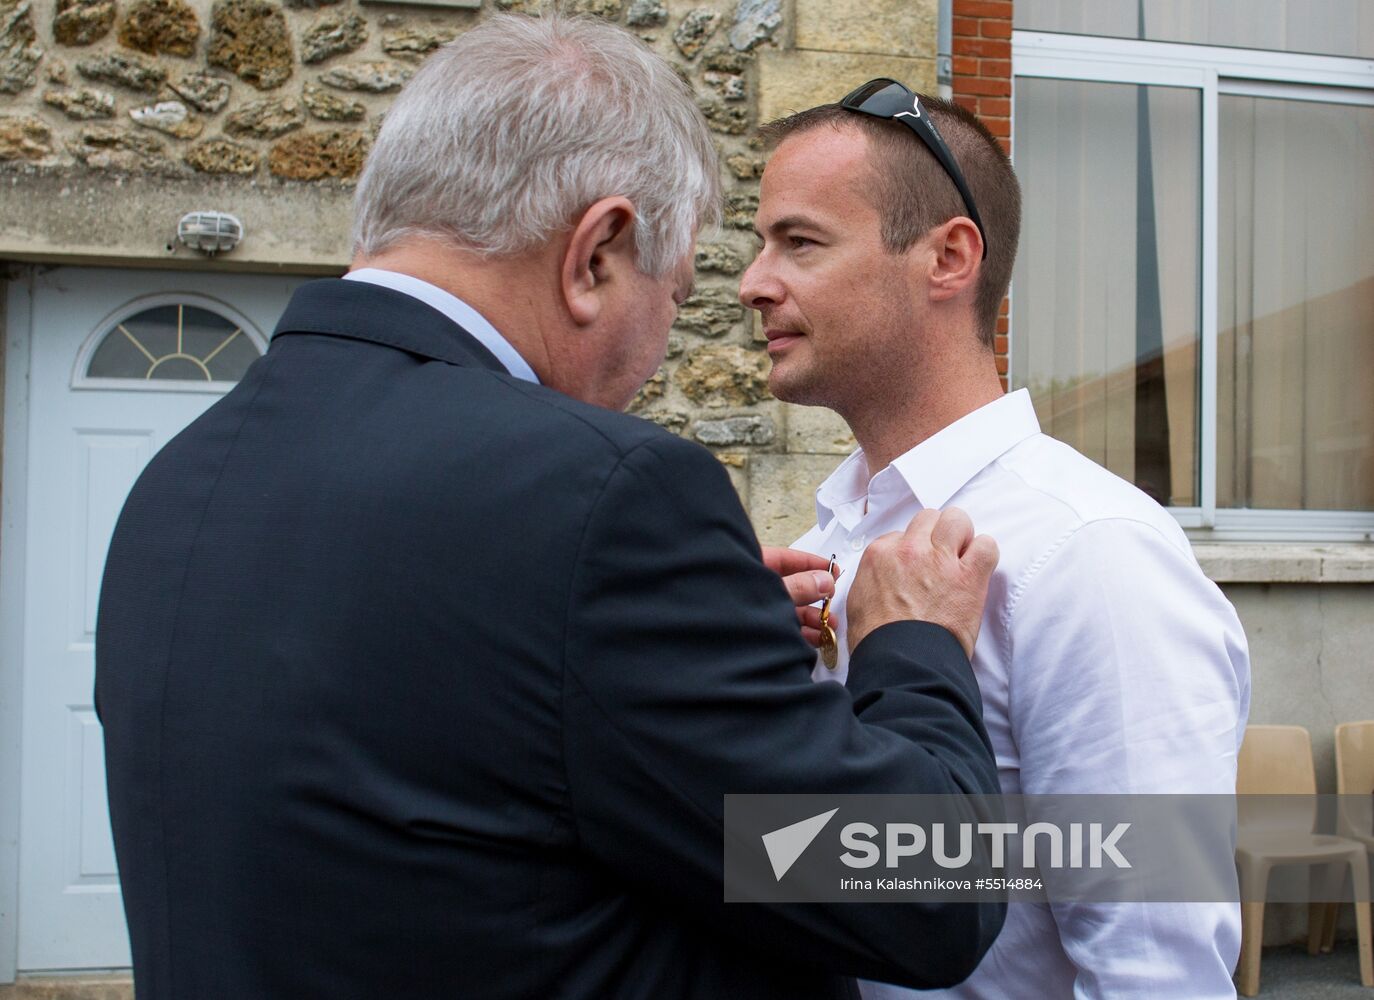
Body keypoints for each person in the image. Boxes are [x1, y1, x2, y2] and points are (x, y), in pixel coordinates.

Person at [94, 20, 1008, 1000]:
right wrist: (911, 649)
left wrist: (691, 642)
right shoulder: (597, 503)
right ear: (596, 254)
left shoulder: (177, 484)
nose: (672, 338)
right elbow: (929, 890)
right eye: (680, 290)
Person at [740, 80, 1251, 999]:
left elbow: (1154, 971)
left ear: (948, 257)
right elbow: (825, 878)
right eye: (760, 241)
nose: (752, 282)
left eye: (800, 242)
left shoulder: (1090, 552)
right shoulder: (827, 538)